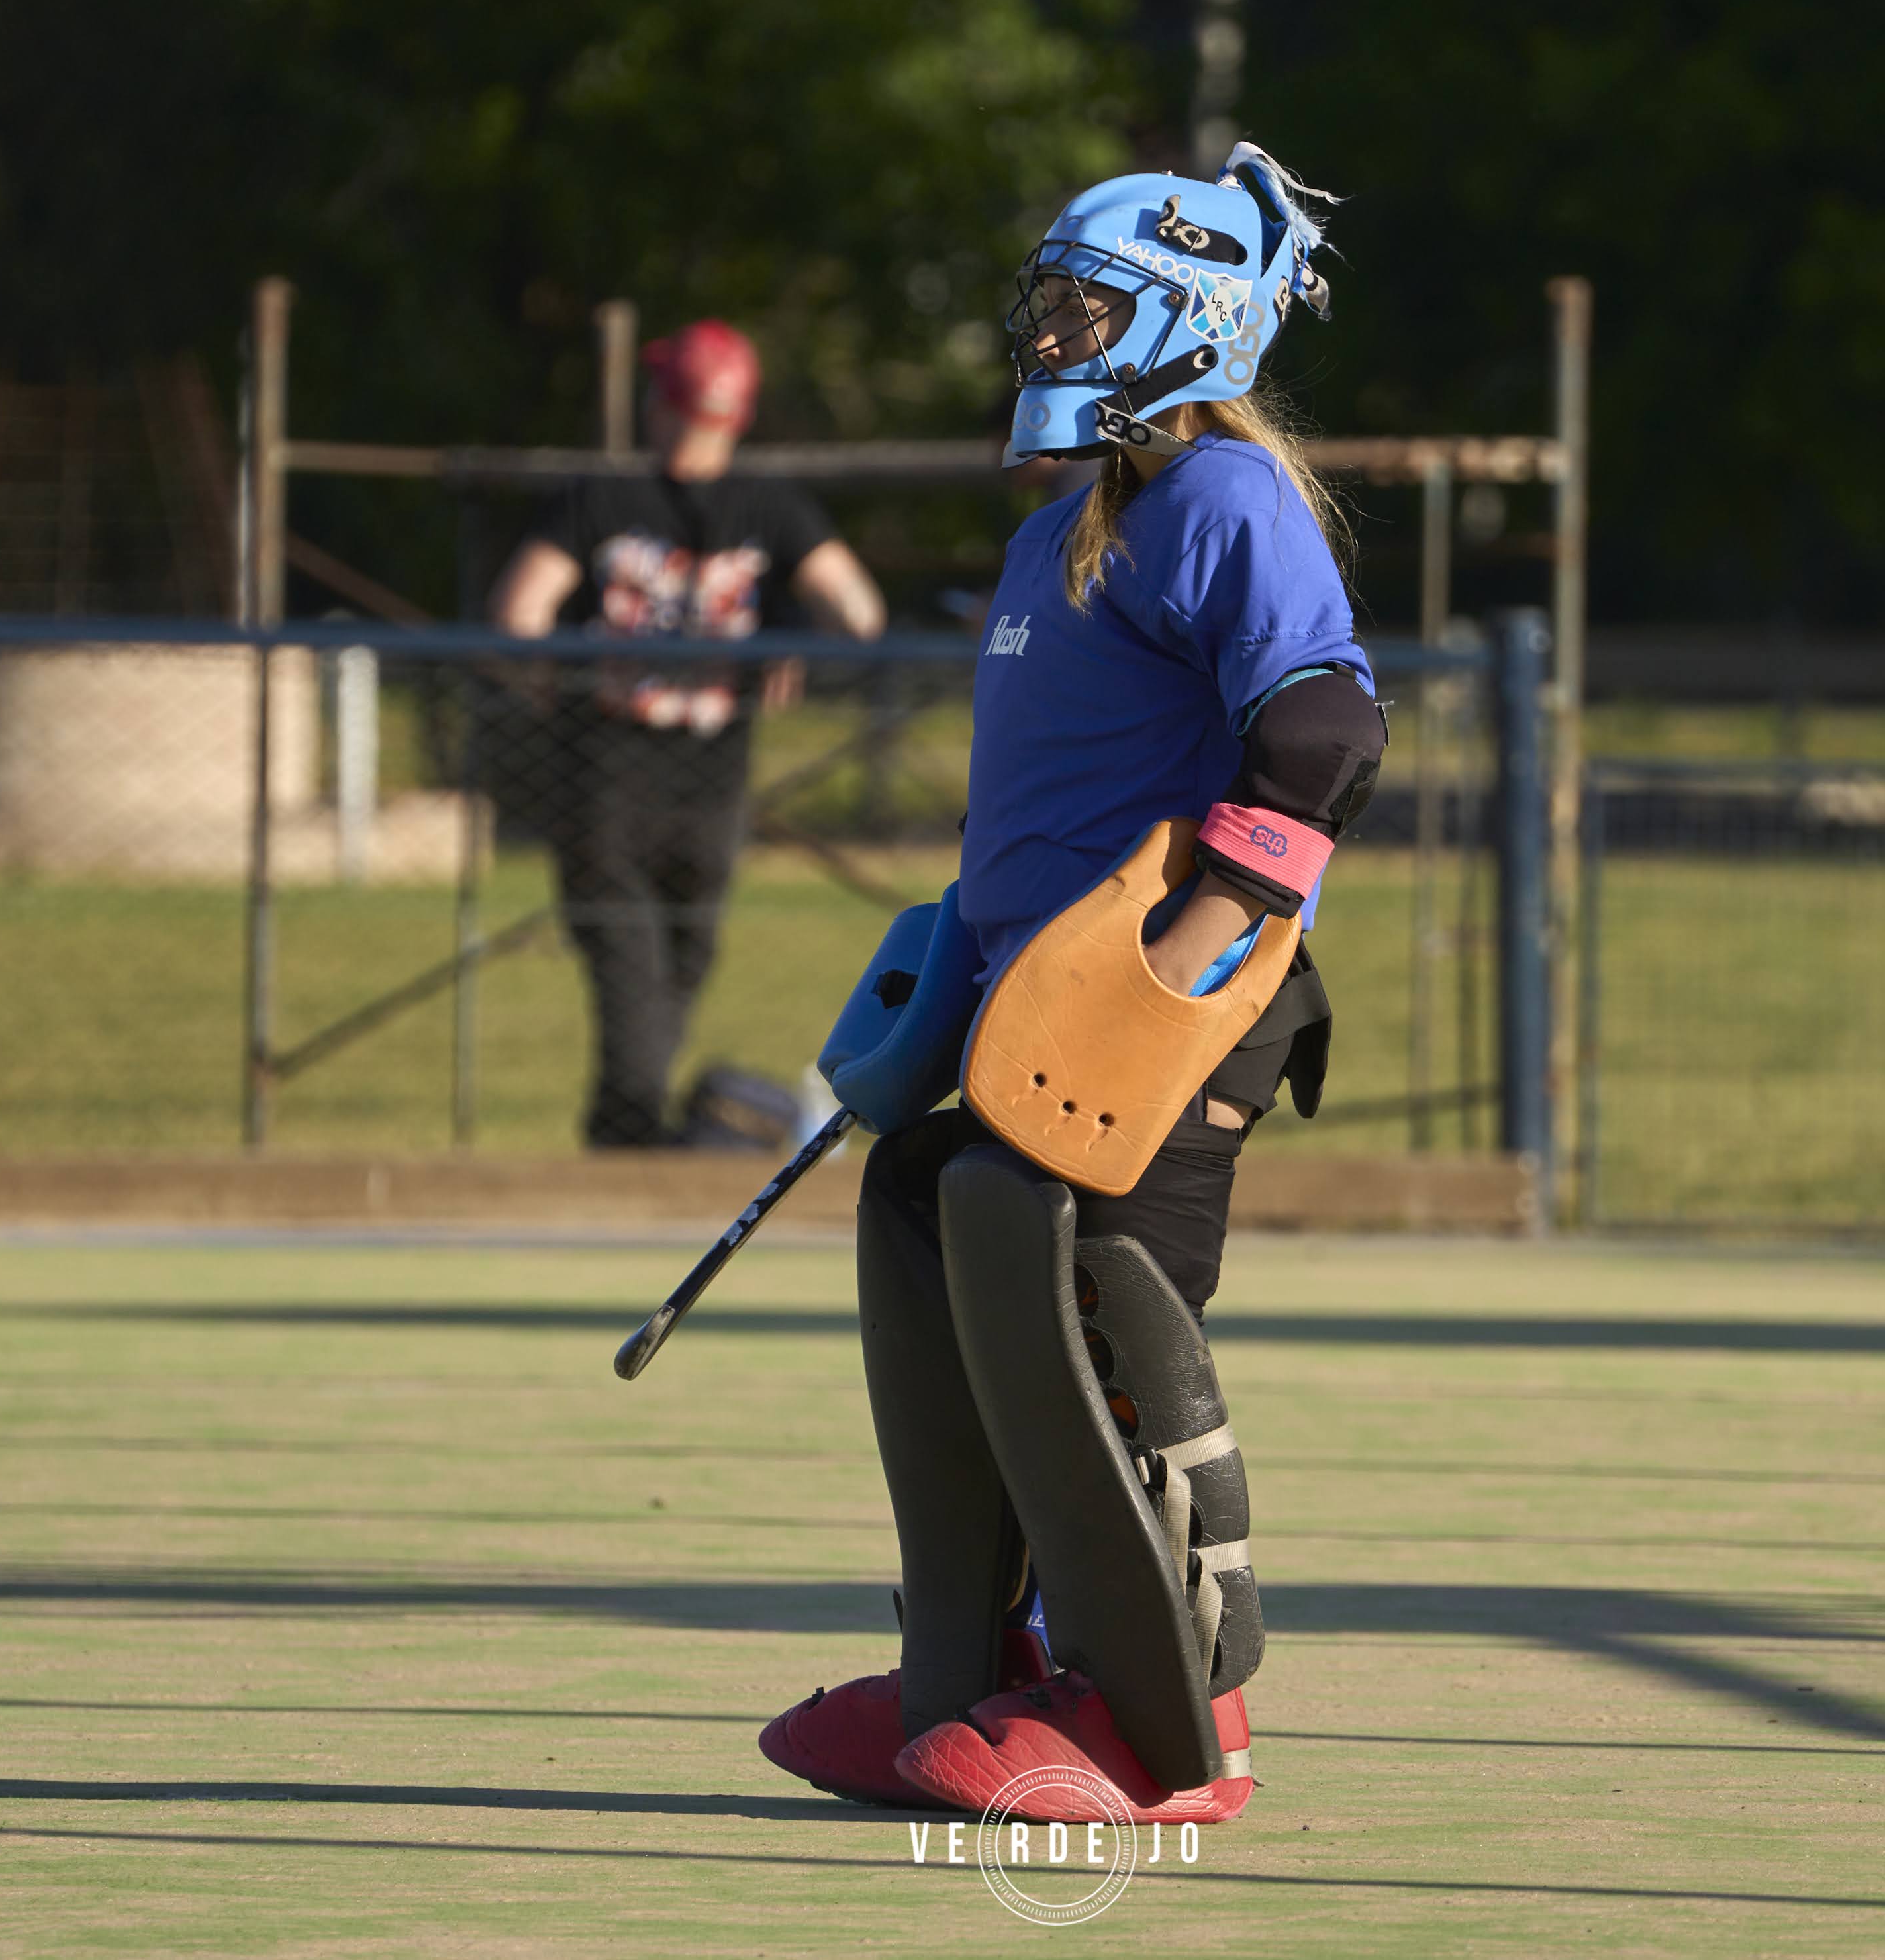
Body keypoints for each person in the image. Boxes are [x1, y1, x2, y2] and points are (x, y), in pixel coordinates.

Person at [757, 146, 1383, 1825]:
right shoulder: (1061, 538)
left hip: (1172, 1009)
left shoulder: (1225, 501)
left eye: (1084, 309)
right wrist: (928, 997)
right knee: (921, 1197)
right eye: (1047, 306)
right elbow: (1031, 817)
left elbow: (1322, 726)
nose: (1048, 339)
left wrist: (1187, 960)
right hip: (1032, 1005)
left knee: (1089, 1287)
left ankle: (1176, 1721)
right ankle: (969, 1672)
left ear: (1186, 324)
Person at [489, 320, 885, 1147]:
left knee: (672, 955)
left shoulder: (612, 501)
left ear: (661, 403)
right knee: (645, 955)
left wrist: (546, 685)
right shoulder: (749, 507)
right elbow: (857, 612)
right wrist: (785, 639)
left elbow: (519, 613)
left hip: (636, 770)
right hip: (640, 777)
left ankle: (623, 1125)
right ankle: (629, 1126)